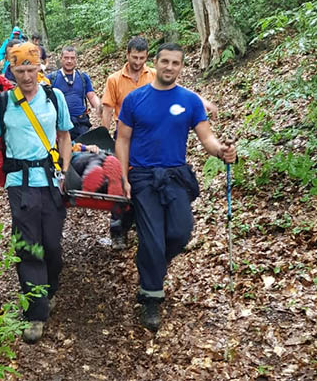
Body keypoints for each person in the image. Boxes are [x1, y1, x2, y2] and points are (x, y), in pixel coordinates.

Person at [115, 42, 236, 332]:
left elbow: (206, 138)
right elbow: (122, 140)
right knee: (152, 238)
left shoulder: (190, 100)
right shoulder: (135, 99)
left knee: (181, 233)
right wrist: (123, 178)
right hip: (143, 178)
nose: (170, 67)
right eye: (165, 61)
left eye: (176, 63)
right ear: (154, 63)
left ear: (181, 66)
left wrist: (221, 151)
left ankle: (151, 262)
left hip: (176, 176)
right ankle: (151, 297)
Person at [0, 42, 73, 344]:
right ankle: (35, 313)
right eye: (20, 70)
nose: (27, 76)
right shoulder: (1, 103)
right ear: (11, 70)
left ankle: (50, 288)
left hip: (52, 182)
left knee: (52, 246)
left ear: (41, 66)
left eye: (31, 69)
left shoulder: (54, 98)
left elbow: (65, 135)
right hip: (20, 184)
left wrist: (65, 170)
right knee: (29, 248)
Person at [102, 37, 218, 250]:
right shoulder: (115, 79)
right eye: (134, 57)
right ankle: (119, 228)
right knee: (123, 183)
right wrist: (104, 134)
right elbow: (108, 108)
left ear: (148, 58)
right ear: (127, 55)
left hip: (154, 135)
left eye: (141, 58)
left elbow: (177, 89)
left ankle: (152, 229)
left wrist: (202, 101)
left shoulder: (154, 74)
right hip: (127, 134)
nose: (137, 61)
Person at [48, 46, 101, 140]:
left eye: (72, 58)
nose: (69, 61)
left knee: (85, 151)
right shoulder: (51, 78)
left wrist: (99, 106)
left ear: (76, 60)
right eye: (66, 58)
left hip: (81, 123)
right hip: (60, 124)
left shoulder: (83, 77)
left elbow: (91, 96)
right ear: (61, 59)